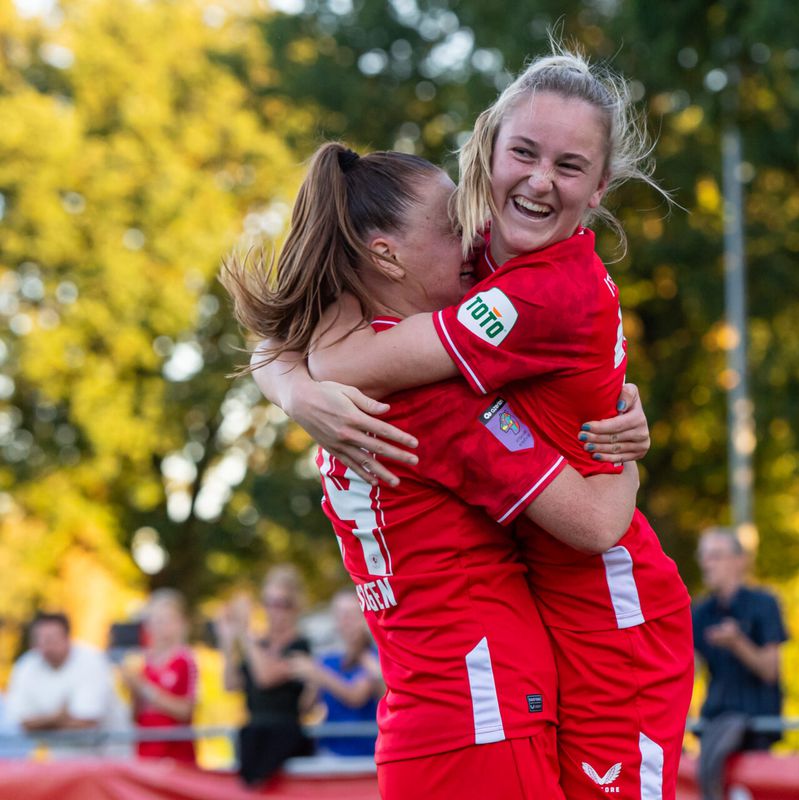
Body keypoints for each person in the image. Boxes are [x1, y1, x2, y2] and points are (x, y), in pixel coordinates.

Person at [250, 47, 693, 799]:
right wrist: (294, 386)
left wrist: (294, 382)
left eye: (570, 166)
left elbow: (593, 529)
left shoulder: (521, 293)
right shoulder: (478, 262)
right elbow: (304, 338)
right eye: (523, 151)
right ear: (487, 147)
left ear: (599, 190)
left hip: (605, 612)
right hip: (513, 646)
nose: (540, 180)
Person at [692, 528, 786, 799]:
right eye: (704, 556)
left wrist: (737, 643)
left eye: (715, 556)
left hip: (757, 731)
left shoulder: (764, 604)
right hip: (714, 729)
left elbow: (770, 670)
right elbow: (687, 674)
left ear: (739, 560)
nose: (707, 564)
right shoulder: (700, 612)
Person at [217, 565, 316, 787]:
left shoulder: (300, 645)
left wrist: (245, 633)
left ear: (296, 606)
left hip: (284, 737)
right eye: (270, 603)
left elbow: (266, 677)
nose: (275, 611)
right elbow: (231, 684)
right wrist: (227, 641)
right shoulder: (259, 645)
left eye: (283, 604)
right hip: (254, 736)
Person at [5, 611, 128, 756]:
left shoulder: (91, 661)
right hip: (62, 760)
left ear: (67, 638)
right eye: (41, 640)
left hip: (106, 755)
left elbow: (87, 722)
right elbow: (22, 723)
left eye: (51, 639)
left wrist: (41, 723)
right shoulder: (26, 666)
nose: (46, 646)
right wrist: (59, 717)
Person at [289, 589, 382, 757]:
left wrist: (318, 673)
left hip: (364, 754)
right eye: (340, 615)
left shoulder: (373, 657)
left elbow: (356, 696)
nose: (346, 622)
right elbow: (306, 708)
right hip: (329, 751)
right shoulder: (328, 660)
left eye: (351, 615)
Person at [122, 588, 199, 762]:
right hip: (146, 752)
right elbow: (136, 715)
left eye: (165, 620)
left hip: (175, 755)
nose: (159, 627)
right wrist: (133, 689)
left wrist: (143, 687)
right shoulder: (144, 662)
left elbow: (185, 711)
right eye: (155, 621)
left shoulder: (184, 660)